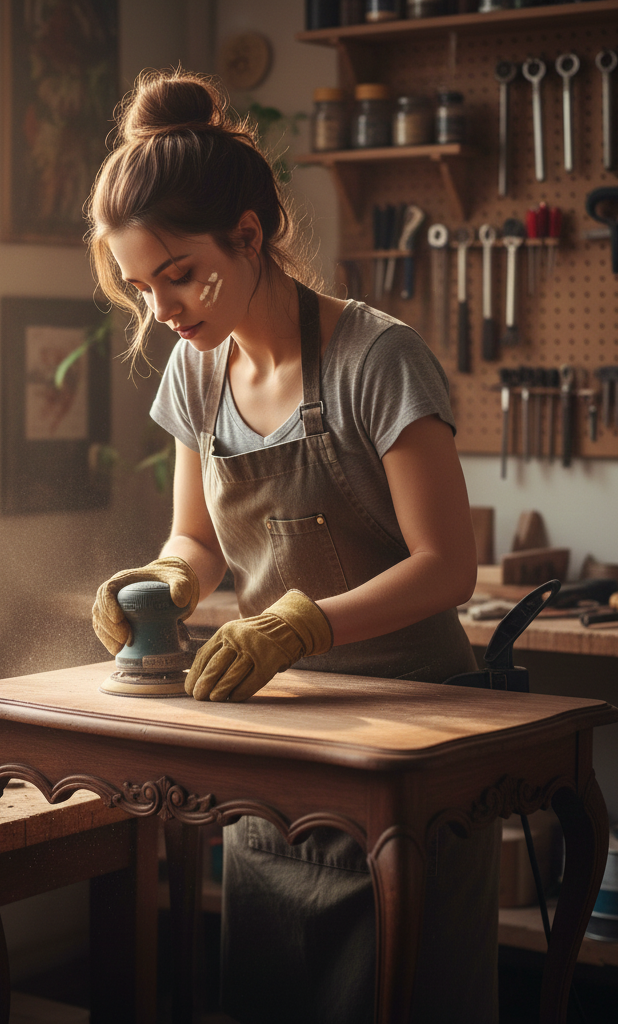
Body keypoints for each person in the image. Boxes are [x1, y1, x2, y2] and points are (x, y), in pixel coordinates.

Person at [88, 69, 499, 1024]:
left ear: (249, 234)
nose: (165, 312)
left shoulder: (376, 358)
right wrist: (162, 582)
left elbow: (449, 565)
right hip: (279, 743)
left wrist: (297, 625)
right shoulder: (196, 374)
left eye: (180, 274)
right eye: (142, 288)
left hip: (413, 742)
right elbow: (196, 539)